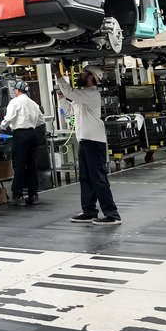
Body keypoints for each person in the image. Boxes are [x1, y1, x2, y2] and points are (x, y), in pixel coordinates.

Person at [57, 65, 120, 226]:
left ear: (91, 77)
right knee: (85, 178)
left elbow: (70, 92)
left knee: (98, 179)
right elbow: (69, 111)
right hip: (84, 141)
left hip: (94, 141)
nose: (80, 75)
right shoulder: (83, 97)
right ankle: (89, 211)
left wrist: (58, 76)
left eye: (83, 73)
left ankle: (112, 215)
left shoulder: (92, 94)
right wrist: (61, 98)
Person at [0, 79, 44, 206]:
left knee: (19, 165)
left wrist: (1, 127)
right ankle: (33, 195)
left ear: (17, 91)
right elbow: (41, 120)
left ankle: (18, 196)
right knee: (31, 165)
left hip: (21, 136)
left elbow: (8, 118)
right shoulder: (33, 103)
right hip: (32, 134)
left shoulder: (15, 102)